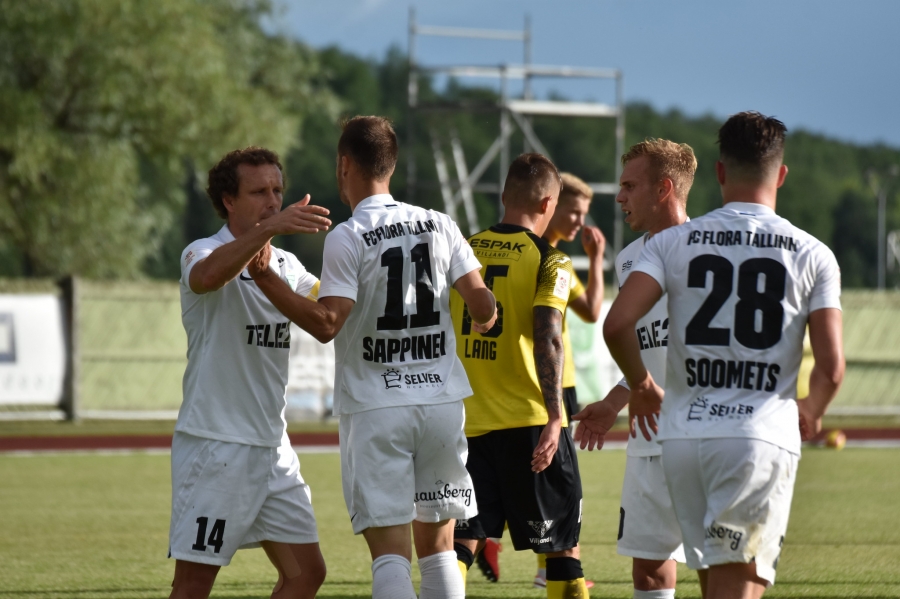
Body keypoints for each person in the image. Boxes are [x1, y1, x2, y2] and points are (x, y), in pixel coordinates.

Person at [248, 115, 497, 599]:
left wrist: (266, 278)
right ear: (391, 164)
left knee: (390, 554)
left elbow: (327, 323)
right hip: (442, 404)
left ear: (344, 165)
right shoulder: (440, 223)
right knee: (440, 548)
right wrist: (487, 316)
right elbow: (481, 302)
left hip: (377, 406)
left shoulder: (348, 235)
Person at [603, 112, 845, 599]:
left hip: (682, 441)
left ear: (719, 172)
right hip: (754, 438)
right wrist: (811, 408)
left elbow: (617, 324)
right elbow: (831, 367)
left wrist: (643, 387)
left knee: (713, 580)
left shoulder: (671, 244)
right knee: (735, 588)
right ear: (781, 175)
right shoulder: (812, 252)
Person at [169, 147, 331, 599]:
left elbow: (327, 320)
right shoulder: (202, 251)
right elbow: (207, 278)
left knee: (306, 574)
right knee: (194, 585)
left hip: (273, 450)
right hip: (216, 446)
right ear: (228, 200)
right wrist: (268, 230)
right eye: (259, 192)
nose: (273, 200)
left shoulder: (287, 266)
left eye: (277, 190)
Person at [452, 153, 590, 599]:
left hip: (466, 424)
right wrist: (556, 415)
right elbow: (548, 336)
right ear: (548, 202)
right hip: (529, 424)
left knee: (461, 542)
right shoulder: (552, 261)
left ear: (504, 195)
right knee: (560, 548)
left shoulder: (461, 249)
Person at [573, 139, 698, 599]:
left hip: (705, 434)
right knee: (648, 571)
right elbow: (647, 349)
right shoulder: (628, 260)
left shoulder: (709, 249)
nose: (620, 197)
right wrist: (614, 401)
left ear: (664, 189)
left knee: (720, 569)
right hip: (649, 436)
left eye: (630, 186)